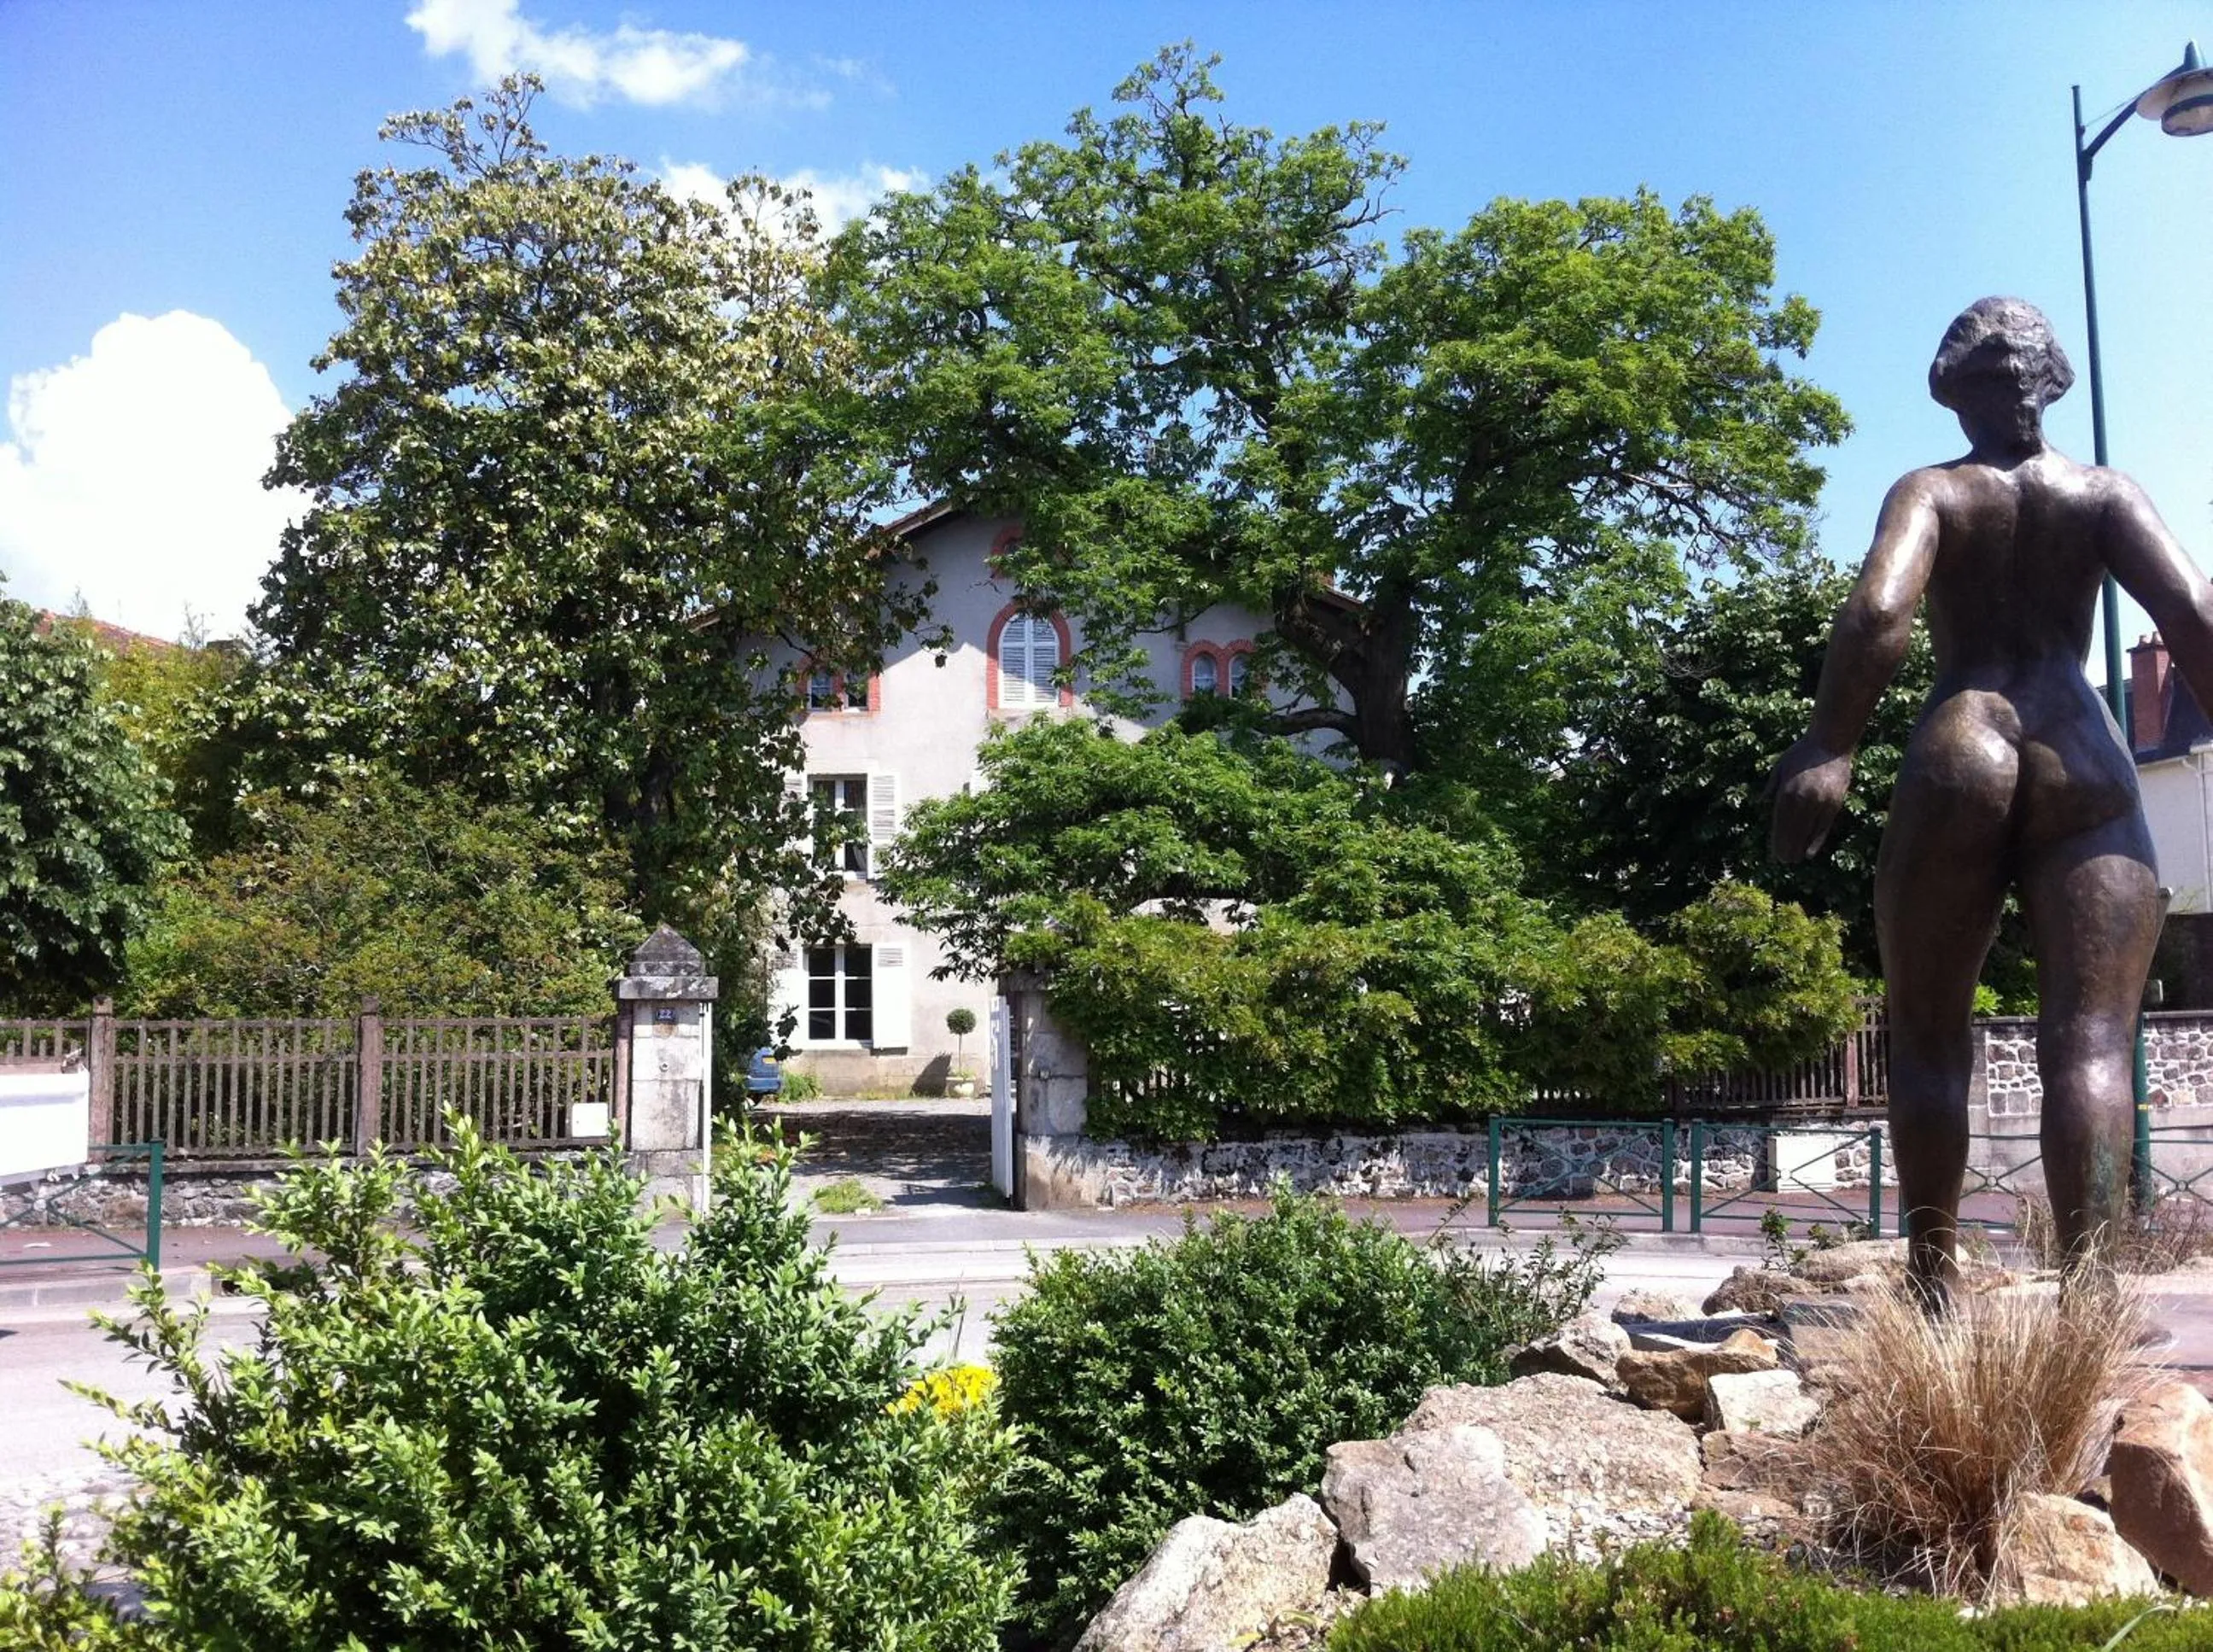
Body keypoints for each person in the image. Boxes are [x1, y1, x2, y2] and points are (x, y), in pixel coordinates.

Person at [1771, 295, 2213, 1308]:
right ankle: (2090, 1306)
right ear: (2053, 382)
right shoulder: (2103, 495)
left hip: (1959, 746)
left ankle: (1932, 1288)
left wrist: (1829, 745)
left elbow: (1879, 607)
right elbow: (2190, 607)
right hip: (2081, 753)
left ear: (1954, 391)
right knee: (2092, 1044)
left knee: (1928, 1035)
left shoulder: (1932, 490)